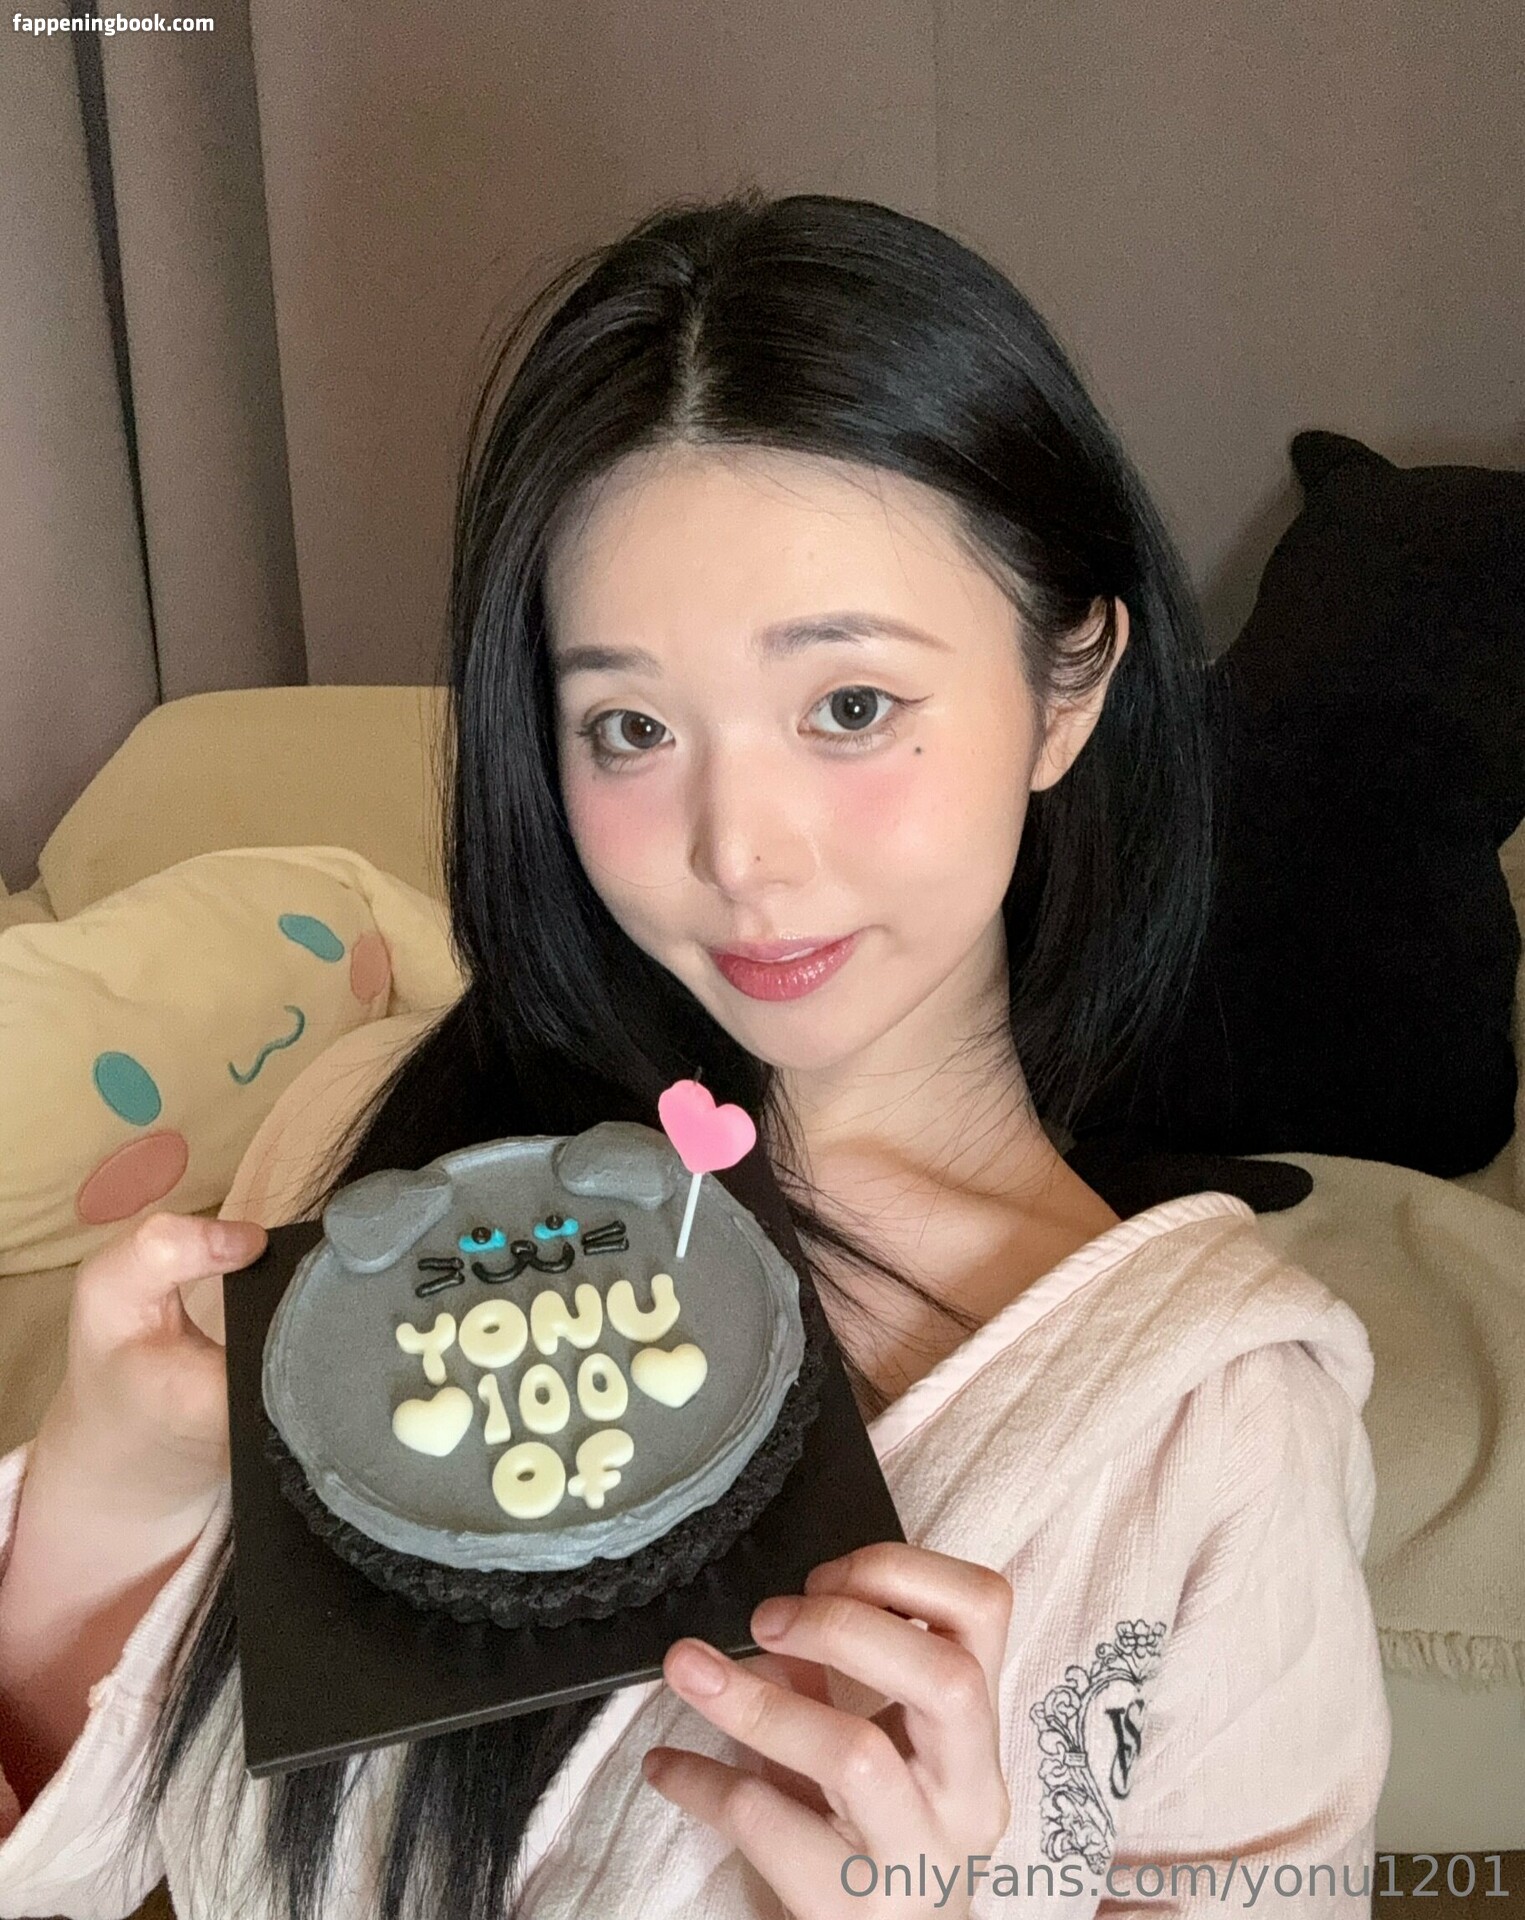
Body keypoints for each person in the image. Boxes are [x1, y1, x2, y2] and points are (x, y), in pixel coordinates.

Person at [0, 190, 1389, 1920]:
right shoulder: (371, 1154)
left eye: (850, 707)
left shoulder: (1211, 1422)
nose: (738, 851)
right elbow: (90, 1855)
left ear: (1068, 684)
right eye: (632, 727)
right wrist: (105, 1491)